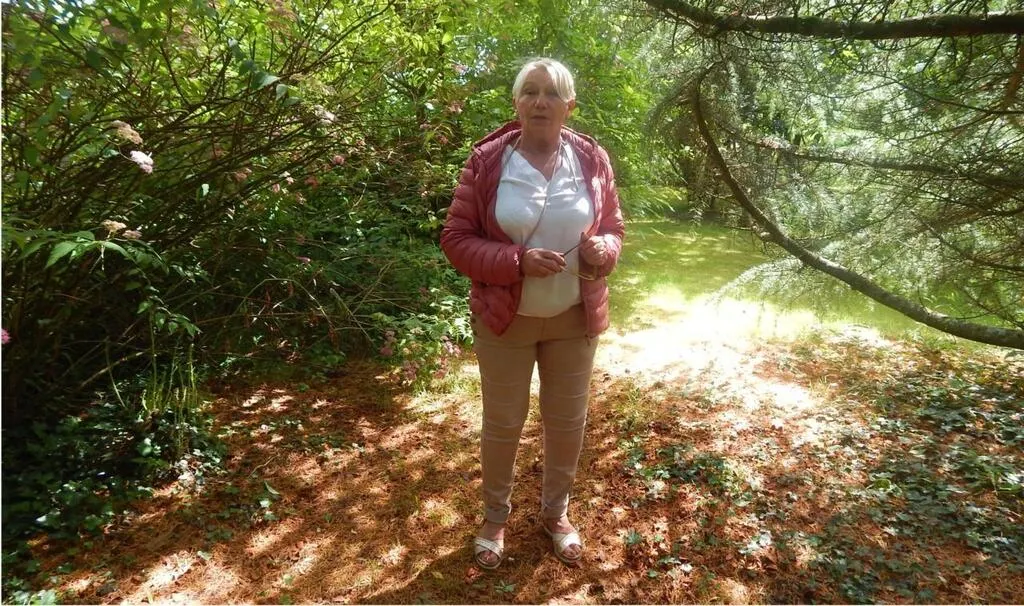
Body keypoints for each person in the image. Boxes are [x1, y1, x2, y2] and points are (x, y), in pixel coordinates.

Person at [440, 57, 625, 569]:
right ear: (517, 103)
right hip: (506, 318)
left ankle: (556, 514)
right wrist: (516, 261)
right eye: (530, 92)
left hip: (574, 317)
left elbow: (613, 227)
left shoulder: (591, 159)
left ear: (570, 106)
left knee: (567, 422)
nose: (540, 102)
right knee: (503, 422)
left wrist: (604, 250)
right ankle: (494, 518)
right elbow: (455, 239)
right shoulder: (488, 161)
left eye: (552, 93)